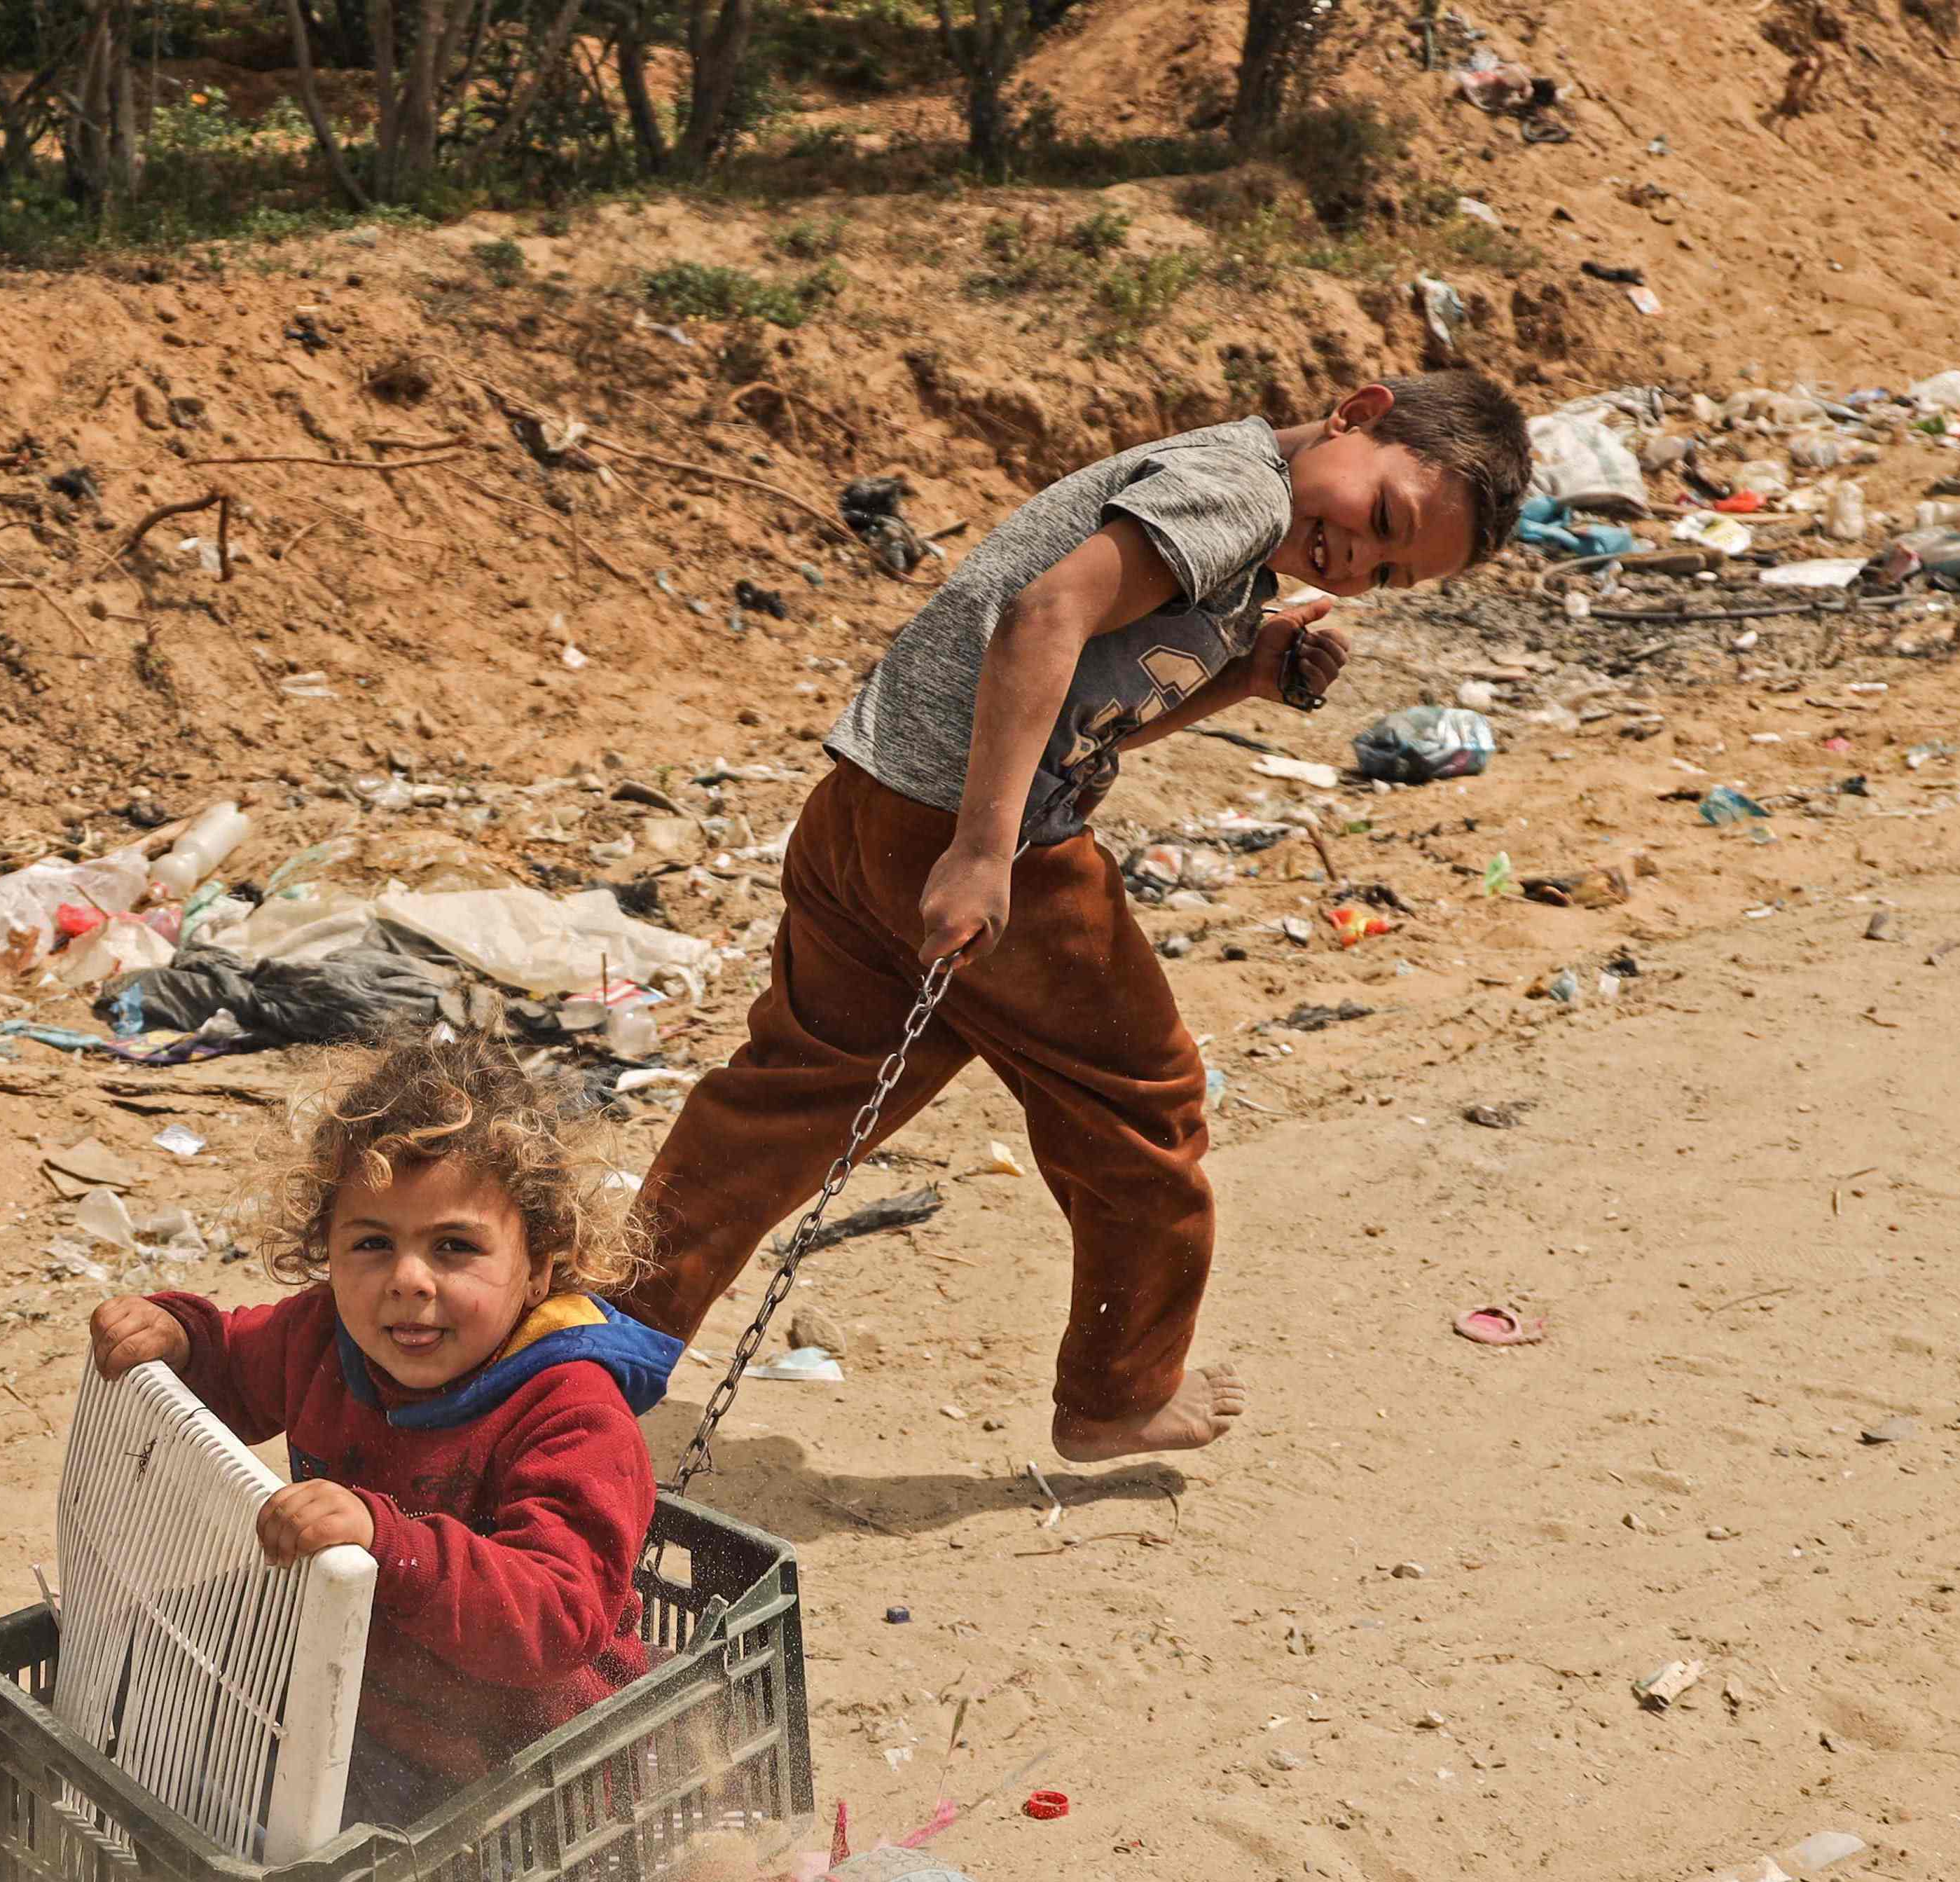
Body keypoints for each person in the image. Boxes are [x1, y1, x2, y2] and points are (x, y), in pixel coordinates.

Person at [633, 368, 1535, 1464]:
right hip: (979, 841)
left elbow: (1086, 713)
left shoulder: (1237, 540)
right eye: (1379, 517)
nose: (1354, 560)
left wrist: (1244, 674)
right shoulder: (1239, 492)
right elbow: (1044, 613)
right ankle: (1118, 1391)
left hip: (869, 808)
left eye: (1387, 571)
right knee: (1143, 1109)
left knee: (787, 1102)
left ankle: (587, 1352)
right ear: (1357, 412)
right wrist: (980, 851)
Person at [87, 1033, 684, 1829]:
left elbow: (556, 1617)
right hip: (359, 1693)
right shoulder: (323, 1338)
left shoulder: (570, 1409)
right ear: (325, 1251)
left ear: (540, 1266)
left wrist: (388, 1540)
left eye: (454, 1247)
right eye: (372, 1243)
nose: (408, 1279)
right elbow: (234, 1365)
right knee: (155, 1695)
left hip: (519, 1761)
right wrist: (178, 1335)